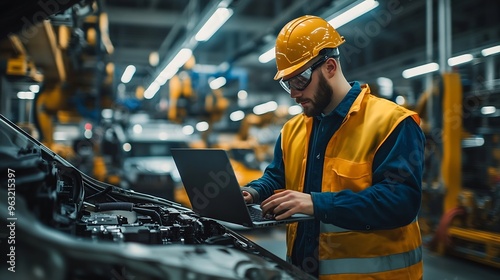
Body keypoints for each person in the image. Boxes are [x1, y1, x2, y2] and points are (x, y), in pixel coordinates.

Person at [241, 15, 425, 279]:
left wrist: (317, 204)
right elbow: (277, 176)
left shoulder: (392, 123)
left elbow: (400, 202)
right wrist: (254, 192)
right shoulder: (292, 129)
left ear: (329, 67)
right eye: (287, 83)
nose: (293, 93)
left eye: (300, 80)